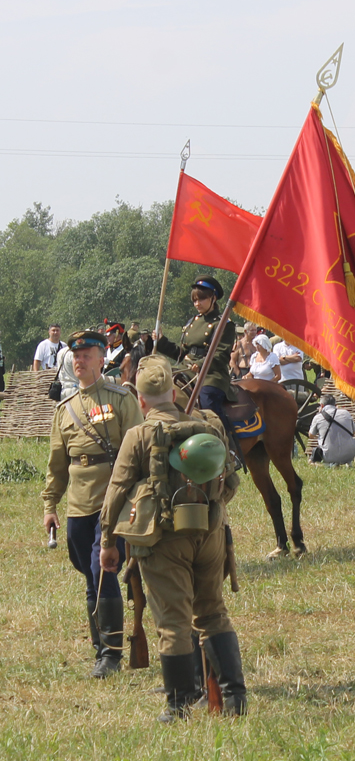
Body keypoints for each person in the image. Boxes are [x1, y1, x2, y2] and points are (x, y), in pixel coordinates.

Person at [99, 355, 246, 721]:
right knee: (213, 612)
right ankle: (235, 698)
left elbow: (116, 492)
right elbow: (230, 482)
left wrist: (107, 542)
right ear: (173, 393)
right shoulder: (207, 427)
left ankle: (178, 705)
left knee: (173, 622)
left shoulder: (139, 435)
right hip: (210, 534)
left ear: (141, 400)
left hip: (163, 541)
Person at [40, 330, 142, 678]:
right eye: (76, 356)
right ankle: (100, 646)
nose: (79, 361)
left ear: (102, 359)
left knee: (103, 570)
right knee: (88, 572)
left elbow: (138, 450)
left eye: (86, 355)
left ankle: (111, 655)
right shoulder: (64, 409)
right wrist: (50, 505)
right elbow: (57, 464)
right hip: (77, 504)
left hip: (112, 500)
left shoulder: (121, 399)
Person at [156, 276, 240, 438]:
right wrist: (161, 342)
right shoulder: (192, 322)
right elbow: (181, 353)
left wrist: (201, 364)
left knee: (207, 401)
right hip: (186, 369)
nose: (197, 304)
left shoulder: (223, 324)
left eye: (201, 299)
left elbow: (221, 354)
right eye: (195, 300)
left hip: (211, 374)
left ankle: (224, 441)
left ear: (213, 298)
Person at [308, 395, 355, 465]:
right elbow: (354, 432)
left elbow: (311, 435)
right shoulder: (346, 413)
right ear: (335, 404)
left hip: (329, 456)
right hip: (350, 455)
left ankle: (326, 465)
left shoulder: (318, 417)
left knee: (313, 457)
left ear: (322, 405)